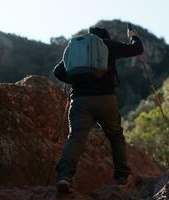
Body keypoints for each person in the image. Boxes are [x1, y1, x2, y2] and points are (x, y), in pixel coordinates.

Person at [53, 26, 144, 193]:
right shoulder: (108, 45)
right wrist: (134, 37)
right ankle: (122, 178)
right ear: (105, 37)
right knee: (115, 136)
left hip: (80, 100)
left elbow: (57, 72)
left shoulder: (76, 48)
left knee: (75, 138)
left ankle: (65, 177)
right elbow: (137, 49)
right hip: (106, 99)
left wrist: (75, 79)